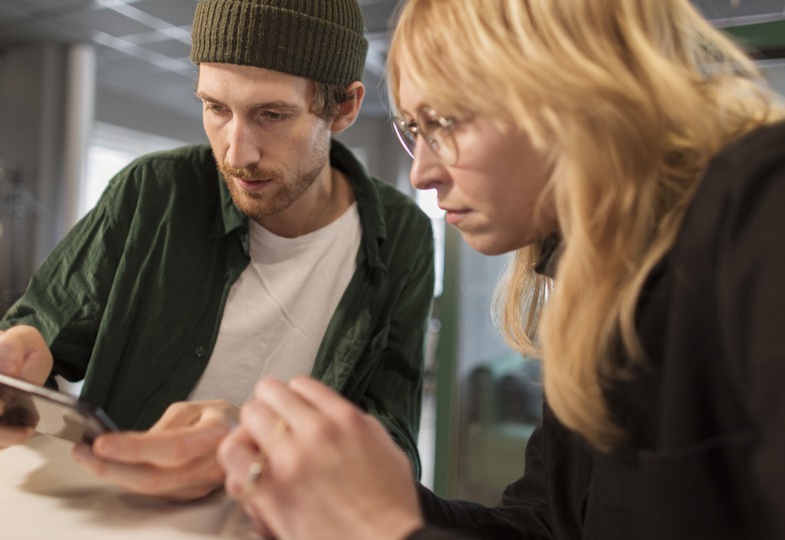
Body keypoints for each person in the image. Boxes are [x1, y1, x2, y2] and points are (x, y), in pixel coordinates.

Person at [216, 0, 785, 538]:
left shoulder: (760, 202)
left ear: (572, 94)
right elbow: (542, 526)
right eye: (414, 131)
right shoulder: (594, 297)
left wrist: (388, 526)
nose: (422, 174)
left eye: (443, 121)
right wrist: (365, 495)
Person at [0, 0, 435, 503]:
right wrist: (2, 371)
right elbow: (43, 326)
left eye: (272, 114)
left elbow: (394, 448)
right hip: (116, 511)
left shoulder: (402, 232)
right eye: (215, 108)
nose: (236, 153)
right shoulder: (151, 193)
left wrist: (264, 445)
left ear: (343, 107)